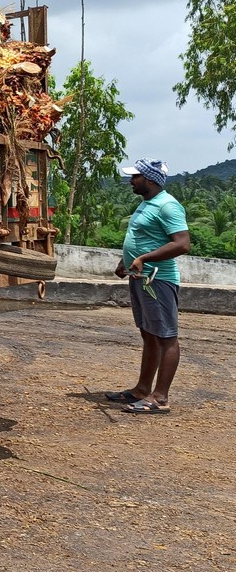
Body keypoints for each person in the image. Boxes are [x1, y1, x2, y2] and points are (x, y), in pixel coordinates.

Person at [108, 158, 190, 414]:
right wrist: (126, 260)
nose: (131, 181)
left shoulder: (167, 206)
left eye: (136, 177)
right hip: (141, 279)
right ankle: (142, 389)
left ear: (150, 179)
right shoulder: (146, 204)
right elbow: (141, 238)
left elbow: (182, 244)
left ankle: (160, 398)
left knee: (166, 337)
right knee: (149, 333)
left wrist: (144, 259)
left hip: (159, 280)